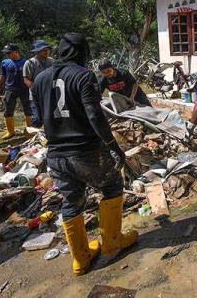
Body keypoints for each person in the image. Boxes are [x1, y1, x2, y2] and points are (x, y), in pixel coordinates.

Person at [32, 33, 137, 276]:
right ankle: (112, 242)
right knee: (112, 186)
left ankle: (80, 260)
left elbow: (37, 119)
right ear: (81, 52)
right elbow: (94, 114)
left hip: (56, 154)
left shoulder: (39, 79)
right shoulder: (83, 75)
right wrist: (113, 145)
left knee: (71, 201)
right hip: (86, 151)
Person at [0, 44, 33, 139]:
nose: (7, 55)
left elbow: (31, 76)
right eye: (6, 53)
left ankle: (29, 130)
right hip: (10, 89)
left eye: (9, 52)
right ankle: (10, 132)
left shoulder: (26, 62)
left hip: (25, 89)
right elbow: (2, 76)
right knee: (8, 110)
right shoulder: (5, 62)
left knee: (28, 110)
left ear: (17, 51)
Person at [23, 40, 54, 127]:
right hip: (36, 96)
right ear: (37, 51)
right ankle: (33, 136)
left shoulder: (52, 61)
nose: (46, 52)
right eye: (44, 50)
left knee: (50, 117)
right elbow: (26, 79)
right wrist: (35, 90)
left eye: (48, 50)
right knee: (37, 118)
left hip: (50, 94)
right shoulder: (30, 63)